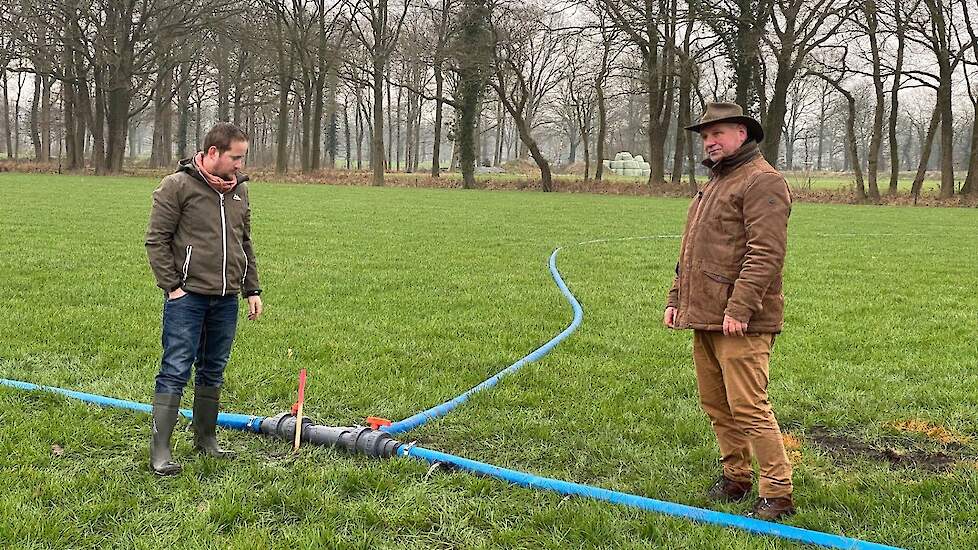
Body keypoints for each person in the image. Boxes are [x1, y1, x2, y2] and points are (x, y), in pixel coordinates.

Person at [663, 102, 795, 520]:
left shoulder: (763, 182)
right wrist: (675, 298)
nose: (710, 142)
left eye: (718, 133)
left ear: (742, 133)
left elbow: (766, 254)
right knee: (717, 405)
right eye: (705, 136)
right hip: (704, 314)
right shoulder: (715, 183)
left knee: (749, 407)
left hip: (742, 321)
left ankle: (777, 493)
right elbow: (692, 251)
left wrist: (739, 308)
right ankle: (735, 478)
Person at [145, 122, 263, 476]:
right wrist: (173, 287)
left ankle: (206, 439)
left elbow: (245, 243)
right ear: (213, 153)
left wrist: (251, 290)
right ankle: (160, 450)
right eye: (235, 157)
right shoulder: (177, 186)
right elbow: (156, 241)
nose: (240, 165)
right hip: (188, 298)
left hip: (226, 299)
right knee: (176, 368)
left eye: (242, 158)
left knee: (213, 368)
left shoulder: (239, 191)